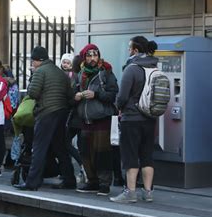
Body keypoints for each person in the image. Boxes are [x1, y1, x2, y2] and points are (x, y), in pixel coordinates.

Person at [14, 46, 76, 191]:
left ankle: (32, 182)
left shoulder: (39, 71)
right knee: (61, 148)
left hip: (46, 112)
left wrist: (32, 77)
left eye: (32, 61)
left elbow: (33, 93)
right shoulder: (60, 73)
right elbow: (70, 95)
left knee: (39, 148)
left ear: (36, 60)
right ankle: (69, 179)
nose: (32, 64)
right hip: (61, 113)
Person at [110, 36, 159, 203]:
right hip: (150, 118)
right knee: (147, 155)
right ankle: (148, 192)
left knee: (130, 155)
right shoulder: (154, 67)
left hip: (131, 118)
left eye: (130, 48)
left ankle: (130, 192)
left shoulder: (132, 69)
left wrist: (118, 105)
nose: (128, 51)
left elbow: (122, 96)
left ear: (135, 50)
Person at [74, 44, 119, 196]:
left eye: (95, 55)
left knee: (102, 153)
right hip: (85, 119)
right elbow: (74, 90)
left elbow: (113, 95)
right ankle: (91, 181)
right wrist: (77, 95)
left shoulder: (106, 72)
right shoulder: (81, 73)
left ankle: (104, 184)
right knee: (86, 152)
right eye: (89, 55)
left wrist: (96, 94)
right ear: (84, 57)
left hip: (102, 118)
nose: (92, 58)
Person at [61, 53, 86, 184]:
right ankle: (83, 169)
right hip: (80, 116)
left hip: (75, 116)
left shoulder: (75, 77)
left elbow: (71, 97)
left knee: (64, 142)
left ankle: (83, 166)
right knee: (78, 145)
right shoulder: (81, 76)